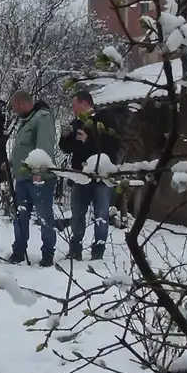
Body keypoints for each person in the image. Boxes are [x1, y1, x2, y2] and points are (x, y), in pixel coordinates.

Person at [59, 90, 120, 260]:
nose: (73, 109)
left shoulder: (105, 121)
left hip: (100, 176)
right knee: (78, 213)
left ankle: (98, 251)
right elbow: (67, 148)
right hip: (80, 175)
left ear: (85, 104)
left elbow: (112, 148)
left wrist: (89, 140)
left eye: (74, 105)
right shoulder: (76, 124)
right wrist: (64, 138)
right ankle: (75, 248)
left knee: (101, 214)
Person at [7, 90, 57, 267]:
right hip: (22, 178)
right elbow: (23, 149)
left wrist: (38, 171)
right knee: (20, 215)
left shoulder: (42, 118)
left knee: (44, 216)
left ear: (22, 104)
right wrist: (11, 164)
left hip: (39, 178)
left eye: (14, 106)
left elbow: (44, 146)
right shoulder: (25, 121)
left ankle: (48, 253)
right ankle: (19, 250)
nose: (13, 110)